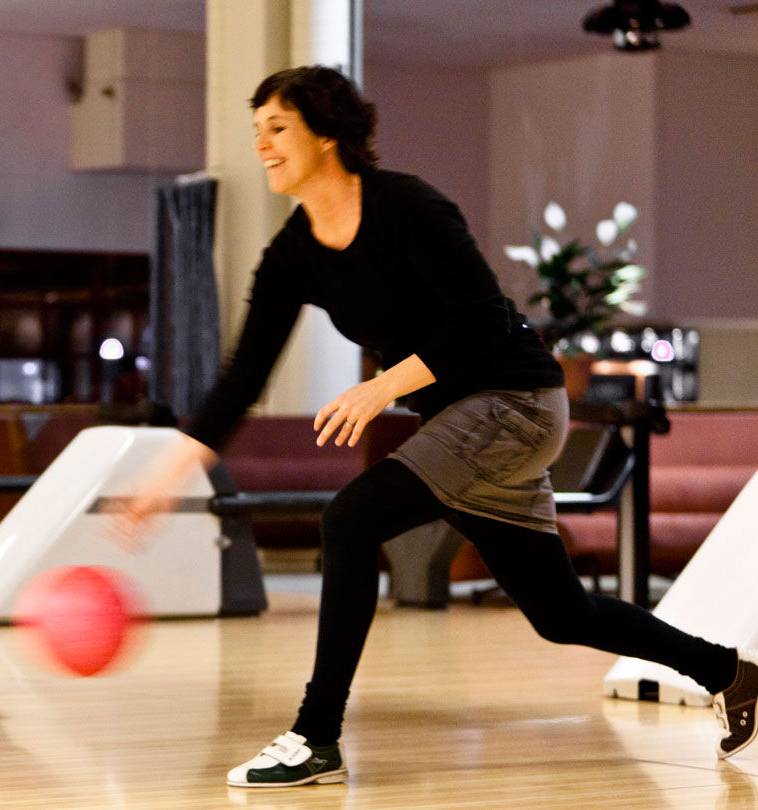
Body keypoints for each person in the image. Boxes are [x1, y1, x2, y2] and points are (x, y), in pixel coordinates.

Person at [113, 65, 756, 788]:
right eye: (256, 129)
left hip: (514, 401)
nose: (261, 144)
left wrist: (383, 386)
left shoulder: (407, 207)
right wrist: (169, 476)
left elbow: (485, 319)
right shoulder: (293, 255)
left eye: (278, 127)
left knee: (349, 520)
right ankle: (732, 675)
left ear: (326, 135)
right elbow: (242, 378)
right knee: (560, 613)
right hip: (464, 423)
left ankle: (315, 736)